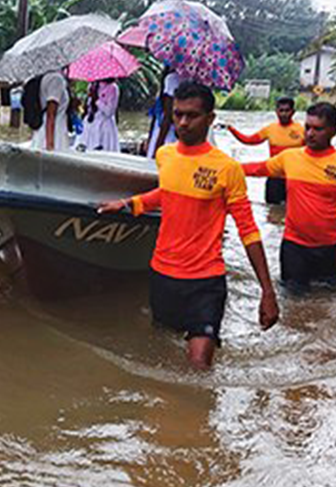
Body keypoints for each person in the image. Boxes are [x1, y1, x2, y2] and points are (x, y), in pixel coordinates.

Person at [98, 81, 279, 370]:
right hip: (163, 274)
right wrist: (130, 204)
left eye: (192, 115)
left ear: (210, 119)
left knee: (198, 364)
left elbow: (248, 231)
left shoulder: (227, 169)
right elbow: (167, 194)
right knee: (163, 353)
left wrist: (267, 292)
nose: (183, 122)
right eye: (178, 114)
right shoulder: (165, 155)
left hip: (205, 282)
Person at [241, 102, 336, 292]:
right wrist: (225, 168)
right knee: (292, 306)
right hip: (294, 248)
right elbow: (257, 169)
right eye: (307, 127)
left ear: (333, 131)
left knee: (329, 308)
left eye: (318, 129)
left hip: (331, 250)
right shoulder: (289, 158)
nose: (310, 134)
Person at [225, 97, 304, 205]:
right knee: (272, 211)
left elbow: (312, 153)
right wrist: (231, 129)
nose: (284, 114)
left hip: (294, 179)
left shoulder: (302, 130)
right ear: (276, 111)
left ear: (293, 112)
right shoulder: (270, 129)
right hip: (274, 178)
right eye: (281, 111)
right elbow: (249, 140)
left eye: (287, 110)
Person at [31, 69, 71, 152]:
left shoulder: (45, 77)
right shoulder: (56, 79)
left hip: (44, 130)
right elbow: (51, 114)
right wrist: (50, 146)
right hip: (54, 132)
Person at [145, 69, 179, 157]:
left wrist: (157, 147)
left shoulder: (172, 79)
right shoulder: (192, 81)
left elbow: (167, 117)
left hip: (166, 132)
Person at [81, 78, 121, 152]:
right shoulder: (92, 85)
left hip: (105, 128)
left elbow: (109, 112)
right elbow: (88, 107)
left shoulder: (113, 88)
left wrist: (97, 100)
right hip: (91, 126)